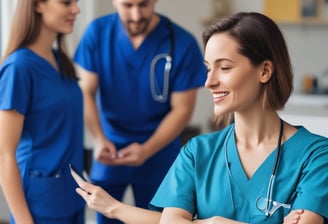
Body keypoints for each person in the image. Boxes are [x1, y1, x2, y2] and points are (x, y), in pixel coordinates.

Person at [71, 11, 328, 224]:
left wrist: (208, 222)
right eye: (208, 68)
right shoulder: (197, 152)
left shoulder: (316, 155)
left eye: (224, 67)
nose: (209, 81)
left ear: (264, 71)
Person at [73, 0, 206, 223]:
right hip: (110, 148)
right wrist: (98, 138)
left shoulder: (181, 43)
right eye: (127, 5)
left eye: (143, 4)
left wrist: (147, 149)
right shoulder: (97, 34)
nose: (136, 15)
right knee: (105, 214)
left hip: (159, 150)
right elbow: (86, 91)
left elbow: (182, 109)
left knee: (160, 219)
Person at [0, 0, 85, 223]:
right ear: (37, 5)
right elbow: (3, 155)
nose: (76, 9)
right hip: (40, 203)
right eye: (66, 2)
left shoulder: (60, 60)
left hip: (73, 194)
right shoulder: (19, 68)